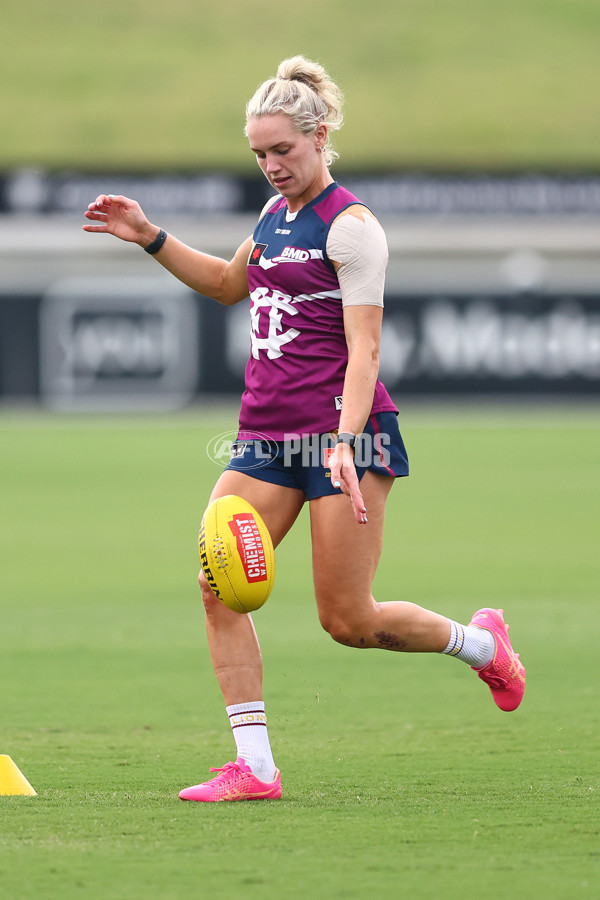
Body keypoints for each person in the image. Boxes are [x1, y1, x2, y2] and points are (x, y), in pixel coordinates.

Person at [83, 55, 525, 803]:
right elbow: (229, 286)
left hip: (343, 437)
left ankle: (483, 644)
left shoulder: (352, 229)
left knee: (349, 621)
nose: (271, 166)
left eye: (282, 150)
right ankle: (255, 768)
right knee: (215, 584)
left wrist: (347, 443)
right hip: (265, 435)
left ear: (320, 138)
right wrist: (151, 236)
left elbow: (367, 351)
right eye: (260, 154)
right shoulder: (271, 216)